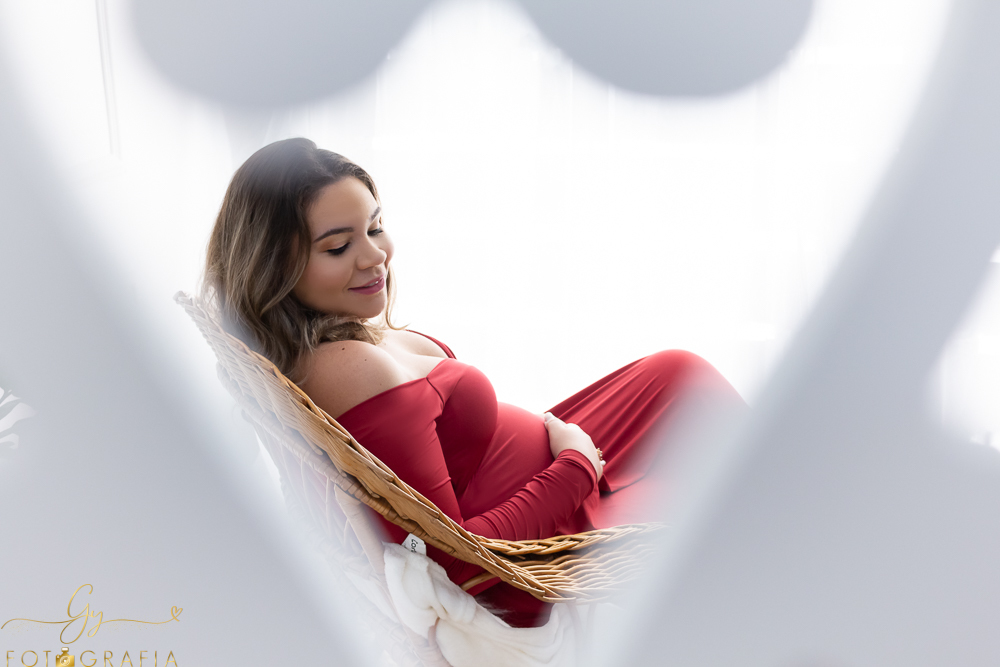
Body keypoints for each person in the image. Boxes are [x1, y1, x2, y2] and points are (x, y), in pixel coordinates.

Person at [204, 137, 747, 628]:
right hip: (550, 530)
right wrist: (576, 466)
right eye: (338, 247)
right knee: (737, 480)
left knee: (684, 383)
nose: (375, 257)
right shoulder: (347, 369)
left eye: (374, 227)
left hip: (549, 472)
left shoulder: (321, 341)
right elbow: (453, 562)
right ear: (276, 266)